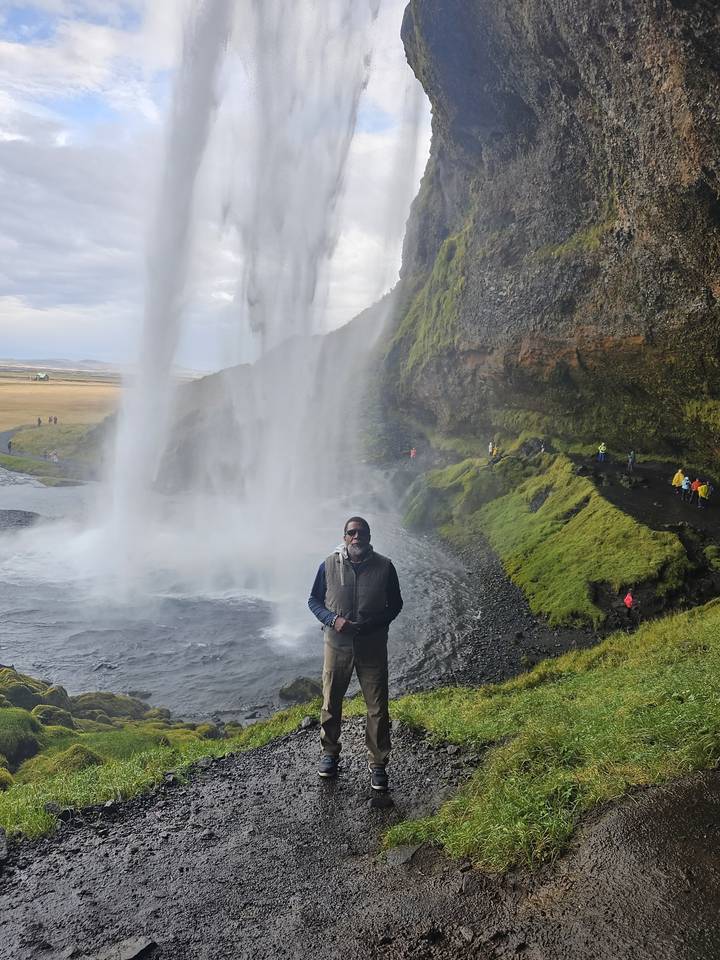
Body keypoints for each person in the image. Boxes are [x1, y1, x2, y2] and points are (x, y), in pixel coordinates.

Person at [308, 516, 403, 792]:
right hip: (336, 645)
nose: (357, 536)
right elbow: (313, 600)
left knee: (377, 706)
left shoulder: (385, 566)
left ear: (369, 536)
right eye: (352, 532)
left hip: (372, 646)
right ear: (345, 536)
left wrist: (373, 624)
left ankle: (378, 764)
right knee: (330, 701)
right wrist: (332, 619)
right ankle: (329, 754)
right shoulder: (328, 565)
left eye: (362, 532)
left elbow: (395, 604)